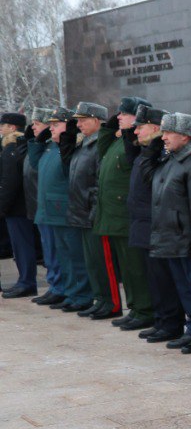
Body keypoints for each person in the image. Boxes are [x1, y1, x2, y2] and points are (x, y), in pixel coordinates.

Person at [151, 112, 191, 354]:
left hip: (187, 238)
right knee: (184, 287)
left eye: (168, 133)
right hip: (171, 236)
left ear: (185, 136)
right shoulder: (171, 159)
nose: (164, 137)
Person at [124, 105, 187, 344]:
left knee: (164, 279)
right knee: (154, 278)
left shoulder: (161, 152)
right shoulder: (146, 151)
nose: (136, 132)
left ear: (154, 127)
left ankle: (171, 323)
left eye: (140, 127)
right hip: (142, 222)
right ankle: (161, 320)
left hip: (156, 223)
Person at [96, 98, 155, 332]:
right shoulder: (116, 142)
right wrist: (115, 124)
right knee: (127, 268)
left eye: (124, 113)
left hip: (126, 214)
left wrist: (131, 125)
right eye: (117, 113)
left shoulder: (135, 142)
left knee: (136, 267)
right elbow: (102, 144)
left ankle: (146, 309)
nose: (118, 116)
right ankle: (136, 308)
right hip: (114, 214)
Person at [61, 101, 119, 319]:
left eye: (83, 120)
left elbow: (98, 183)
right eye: (77, 121)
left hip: (93, 213)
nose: (79, 125)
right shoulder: (83, 144)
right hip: (81, 212)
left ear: (97, 121)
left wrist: (94, 209)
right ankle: (100, 299)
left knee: (104, 263)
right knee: (92, 263)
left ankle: (111, 303)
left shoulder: (100, 146)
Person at [35, 107, 93, 312]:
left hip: (67, 209)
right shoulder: (52, 148)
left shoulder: (72, 148)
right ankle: (70, 292)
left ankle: (83, 294)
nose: (51, 129)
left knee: (76, 256)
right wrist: (39, 139)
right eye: (49, 125)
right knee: (63, 256)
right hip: (52, 210)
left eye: (55, 125)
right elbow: (35, 166)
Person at [26, 108, 65, 305]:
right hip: (44, 208)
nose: (33, 127)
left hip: (57, 208)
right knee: (49, 250)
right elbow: (35, 164)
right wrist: (36, 142)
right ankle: (54, 285)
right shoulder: (47, 147)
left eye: (37, 124)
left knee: (58, 251)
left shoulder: (62, 146)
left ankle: (61, 287)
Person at [0, 111, 39, 298]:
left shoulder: (11, 148)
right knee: (23, 246)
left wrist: (1, 208)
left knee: (21, 247)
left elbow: (9, 182)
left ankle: (26, 282)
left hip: (16, 208)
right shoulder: (24, 145)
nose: (1, 129)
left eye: (3, 125)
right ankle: (25, 280)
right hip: (24, 205)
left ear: (12, 128)